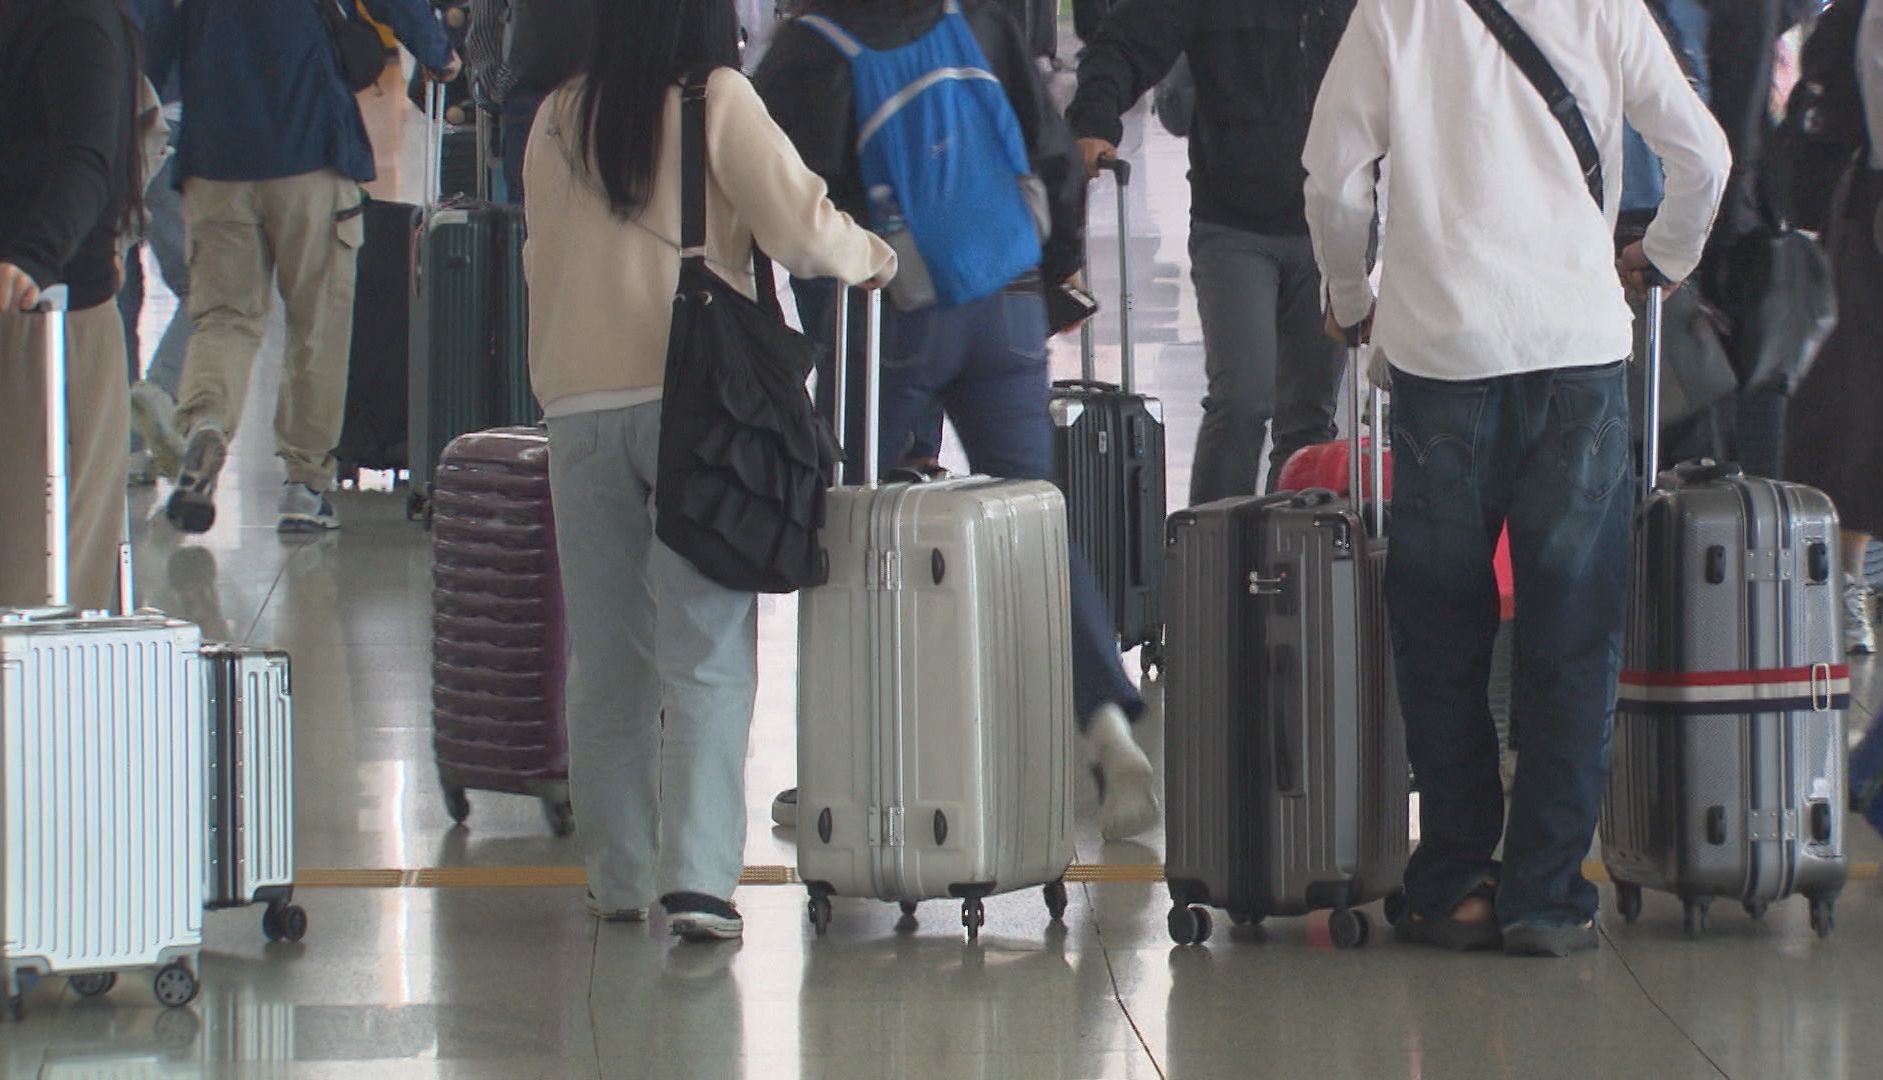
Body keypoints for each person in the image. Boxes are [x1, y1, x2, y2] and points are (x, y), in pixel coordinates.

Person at [1304, 0, 1730, 956]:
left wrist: (1348, 295)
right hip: (1576, 354)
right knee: (1573, 638)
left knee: (1442, 635)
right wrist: (1660, 260)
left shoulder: (1395, 13)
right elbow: (1704, 156)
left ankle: (1453, 882)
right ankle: (1543, 897)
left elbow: (1333, 175)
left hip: (1439, 361)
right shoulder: (1605, 7)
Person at [522, 0, 895, 941]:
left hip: (575, 409)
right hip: (693, 405)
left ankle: (618, 877)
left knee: (606, 656)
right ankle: (696, 882)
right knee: (706, 649)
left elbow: (541, 261)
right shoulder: (715, 100)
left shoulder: (556, 116)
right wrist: (875, 257)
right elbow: (802, 233)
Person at [755, 0, 1162, 843]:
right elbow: (1046, 147)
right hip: (1005, 298)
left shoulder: (811, 46)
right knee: (1037, 523)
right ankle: (1107, 728)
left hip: (890, 314)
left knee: (853, 529)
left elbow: (779, 200)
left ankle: (843, 766)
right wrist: (1055, 269)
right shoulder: (971, 22)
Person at [137, 1, 458, 535]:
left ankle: (207, 422)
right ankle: (303, 485)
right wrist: (438, 51)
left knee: (224, 318)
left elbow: (153, 44)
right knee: (317, 322)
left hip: (215, 160)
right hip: (310, 150)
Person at [1068, 0, 1355, 503]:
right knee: (1243, 398)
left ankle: (1292, 561)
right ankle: (1212, 558)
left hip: (1331, 227)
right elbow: (1126, 41)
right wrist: (1094, 117)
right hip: (1233, 224)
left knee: (1310, 419)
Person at [0, 0, 144, 612]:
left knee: (27, 586)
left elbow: (88, 157)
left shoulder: (74, 17)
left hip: (40, 328)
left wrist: (33, 258)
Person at [1784, 0, 1883, 656]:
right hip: (1874, 217)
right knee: (1855, 413)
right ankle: (1846, 585)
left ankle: (1848, 587)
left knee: (1857, 407)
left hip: (1867, 218)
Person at [120, 0, 190, 489]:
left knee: (114, 290)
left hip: (98, 131)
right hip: (166, 123)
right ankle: (158, 391)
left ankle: (120, 441)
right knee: (209, 287)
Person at [466, 0, 545, 204]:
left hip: (526, 80)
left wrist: (496, 84)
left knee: (526, 211)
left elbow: (486, 18)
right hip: (599, 81)